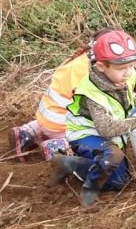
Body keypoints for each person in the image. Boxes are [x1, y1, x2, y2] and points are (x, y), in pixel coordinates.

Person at [49, 29, 136, 206]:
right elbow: (106, 128)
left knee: (119, 181)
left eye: (131, 65)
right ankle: (90, 190)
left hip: (109, 134)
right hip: (86, 134)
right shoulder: (92, 92)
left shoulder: (124, 73)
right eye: (121, 68)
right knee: (113, 155)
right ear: (101, 66)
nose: (128, 72)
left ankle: (67, 164)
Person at [9, 29, 115, 162]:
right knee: (103, 135)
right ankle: (58, 147)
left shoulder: (81, 60)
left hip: (45, 118)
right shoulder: (91, 71)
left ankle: (27, 132)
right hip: (60, 125)